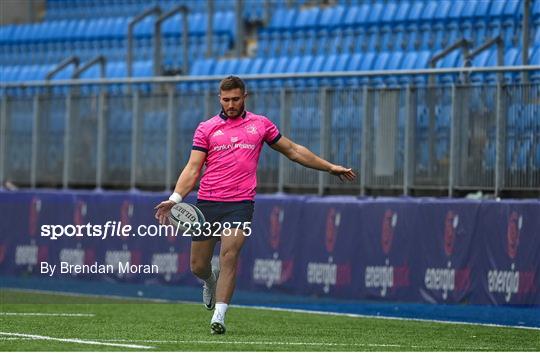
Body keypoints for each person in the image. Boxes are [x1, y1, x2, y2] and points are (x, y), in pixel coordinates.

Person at [154, 76, 356, 334]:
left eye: (235, 99)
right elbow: (193, 168)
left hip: (240, 204)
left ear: (244, 97)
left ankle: (219, 316)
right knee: (198, 266)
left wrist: (329, 167)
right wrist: (174, 199)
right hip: (208, 203)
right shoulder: (206, 128)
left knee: (229, 256)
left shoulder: (260, 125)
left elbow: (293, 150)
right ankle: (209, 280)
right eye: (226, 100)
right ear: (219, 99)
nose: (231, 104)